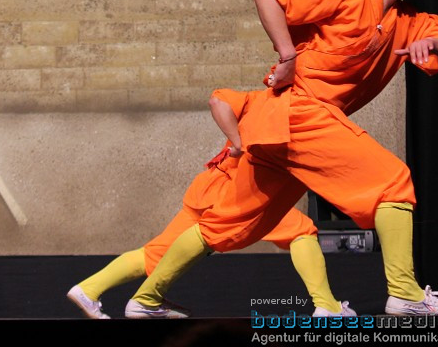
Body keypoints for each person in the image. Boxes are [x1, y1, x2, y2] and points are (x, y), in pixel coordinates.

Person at [126, 0, 438, 317]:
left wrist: (434, 44)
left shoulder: (405, 22)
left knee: (227, 225)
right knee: (393, 182)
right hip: (297, 113)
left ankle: (146, 299)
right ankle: (404, 292)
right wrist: (287, 55)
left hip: (282, 129)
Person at [67, 90, 355, 320]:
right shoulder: (286, 104)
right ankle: (327, 306)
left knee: (158, 253)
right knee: (300, 230)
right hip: (239, 189)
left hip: (209, 186)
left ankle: (88, 289)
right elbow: (218, 99)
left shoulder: (266, 101)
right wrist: (239, 143)